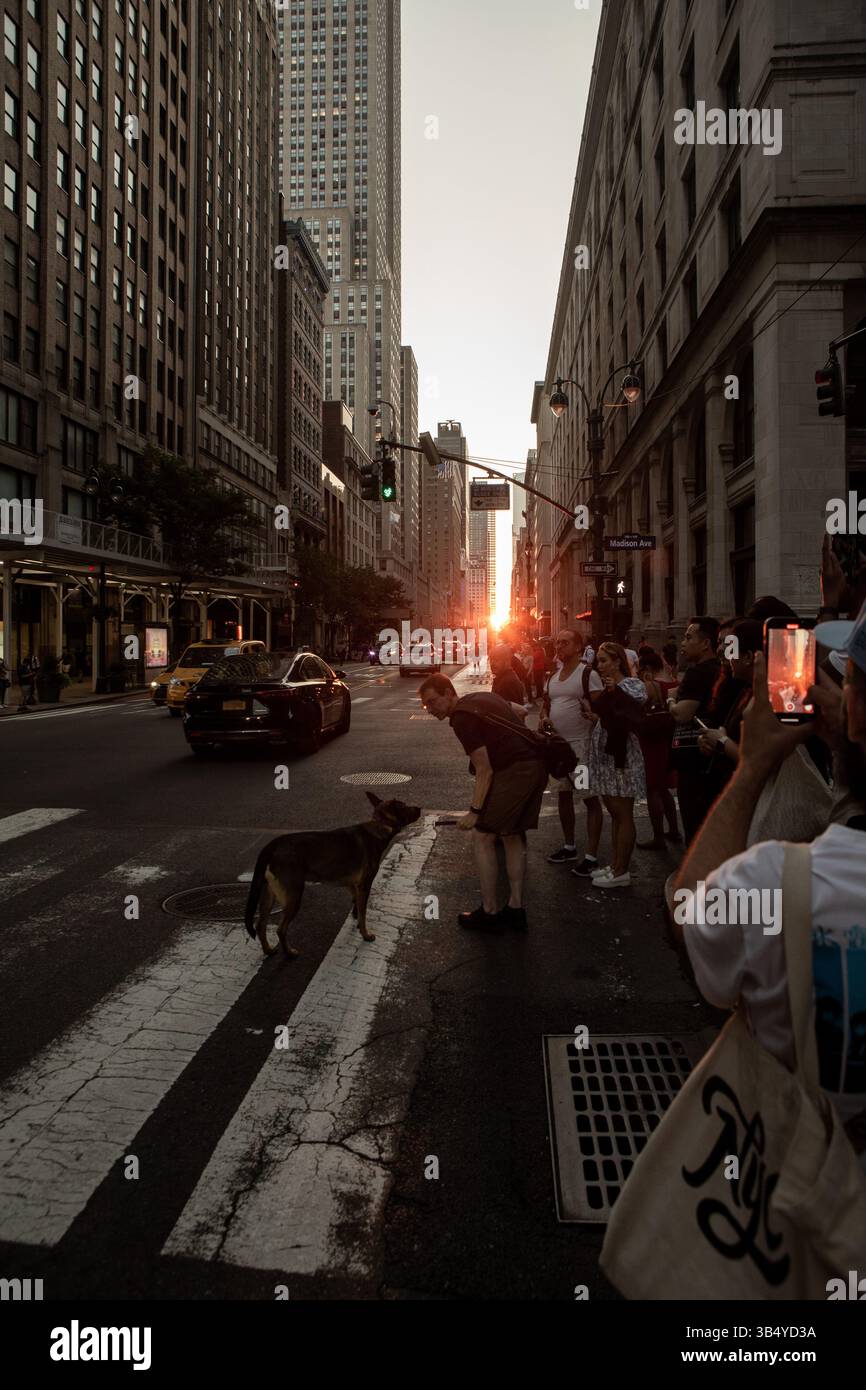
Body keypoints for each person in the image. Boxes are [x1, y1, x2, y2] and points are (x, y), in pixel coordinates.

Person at [673, 603, 866, 1165]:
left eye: (845, 679)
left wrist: (753, 763)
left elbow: (692, 918)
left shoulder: (781, 884)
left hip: (801, 1199)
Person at [420, 674, 548, 932]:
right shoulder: (481, 698)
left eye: (433, 702)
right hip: (535, 765)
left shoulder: (462, 719)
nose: (431, 709)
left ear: (448, 693)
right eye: (426, 706)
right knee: (511, 835)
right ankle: (515, 909)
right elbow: (520, 710)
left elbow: (484, 770)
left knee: (482, 836)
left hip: (516, 771)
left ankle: (489, 912)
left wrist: (475, 812)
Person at [581, 642, 647, 888]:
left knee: (623, 812)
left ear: (618, 661)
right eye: (598, 661)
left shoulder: (632, 685)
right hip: (606, 753)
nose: (600, 665)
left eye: (604, 660)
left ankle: (622, 870)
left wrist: (614, 692)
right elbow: (607, 716)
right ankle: (616, 864)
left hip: (623, 755)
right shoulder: (605, 687)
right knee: (613, 812)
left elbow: (631, 714)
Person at [542, 630, 605, 873]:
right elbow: (547, 705)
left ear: (578, 648)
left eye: (565, 643)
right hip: (559, 749)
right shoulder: (553, 677)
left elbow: (602, 710)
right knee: (563, 796)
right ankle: (569, 847)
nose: (559, 646)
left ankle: (591, 856)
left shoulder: (588, 674)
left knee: (588, 798)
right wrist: (545, 718)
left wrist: (595, 716)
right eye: (557, 642)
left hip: (581, 748)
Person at [667, 616, 721, 844]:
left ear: (706, 643)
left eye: (689, 637)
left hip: (693, 758)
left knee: (695, 830)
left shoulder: (697, 672)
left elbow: (682, 713)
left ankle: (697, 880)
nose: (683, 643)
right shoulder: (718, 669)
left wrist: (670, 701)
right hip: (710, 760)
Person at [696, 618, 763, 797]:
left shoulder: (763, 698)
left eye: (731, 648)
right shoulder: (746, 689)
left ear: (748, 657)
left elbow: (758, 760)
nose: (726, 654)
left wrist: (723, 742)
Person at [636, 650, 680, 849]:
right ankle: (674, 830)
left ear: (646, 669)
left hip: (651, 740)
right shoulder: (673, 682)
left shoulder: (651, 685)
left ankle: (658, 838)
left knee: (653, 788)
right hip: (667, 738)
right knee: (663, 789)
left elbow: (638, 707)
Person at [489, 643, 530, 714]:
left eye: (496, 660)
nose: (492, 663)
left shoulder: (508, 682)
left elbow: (512, 713)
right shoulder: (503, 677)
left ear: (506, 661)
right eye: (491, 659)